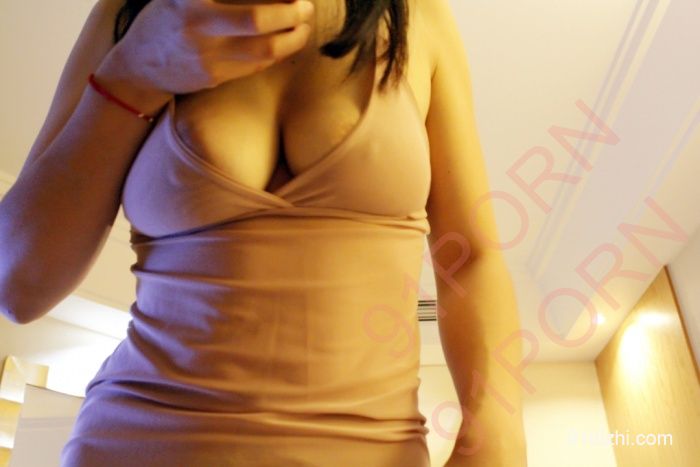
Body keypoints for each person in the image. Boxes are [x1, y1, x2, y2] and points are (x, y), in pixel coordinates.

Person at [0, 0, 528, 465]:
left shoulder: (417, 15)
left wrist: (498, 430)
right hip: (139, 442)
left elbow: (470, 257)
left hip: (369, 448)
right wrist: (131, 74)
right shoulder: (131, 14)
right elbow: (16, 284)